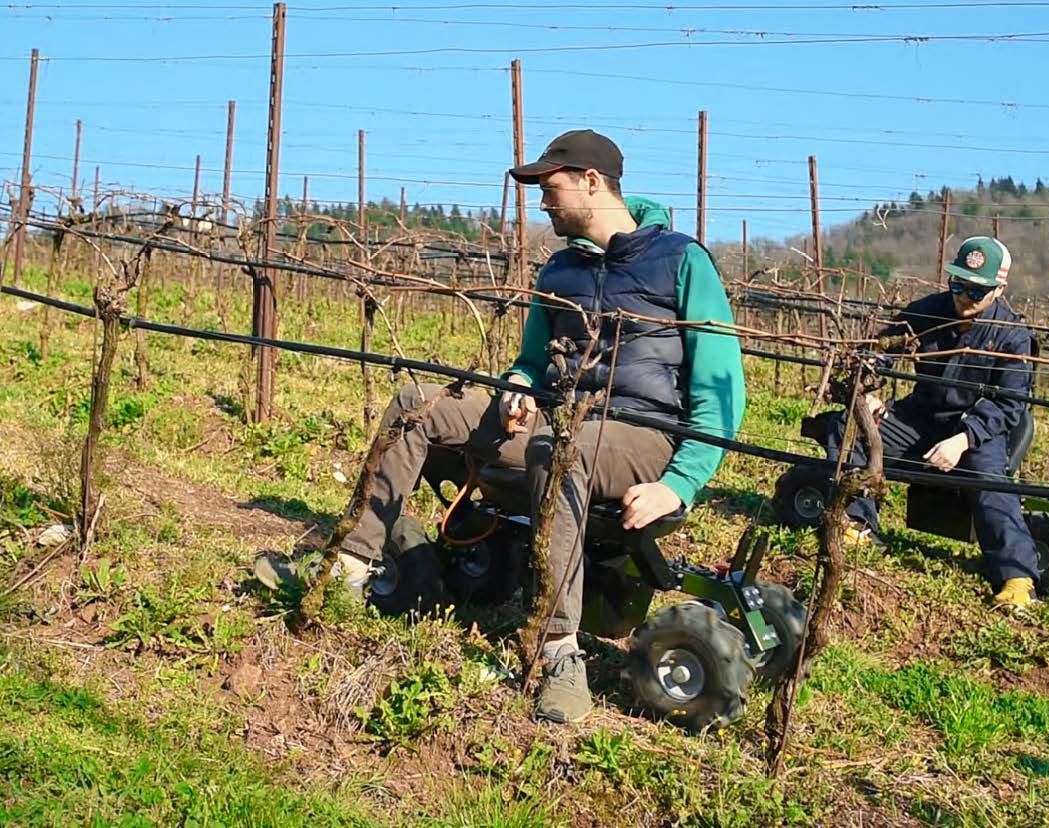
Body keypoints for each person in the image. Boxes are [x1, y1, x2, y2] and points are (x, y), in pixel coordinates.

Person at [258, 129, 746, 722]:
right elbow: (531, 361)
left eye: (551, 187)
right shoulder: (560, 271)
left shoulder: (680, 261)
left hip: (641, 435)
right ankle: (350, 567)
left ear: (593, 183)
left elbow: (720, 390)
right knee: (419, 403)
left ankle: (558, 653)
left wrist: (680, 482)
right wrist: (518, 382)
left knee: (561, 450)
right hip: (555, 420)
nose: (542, 201)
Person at [833, 236, 1040, 608]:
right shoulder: (926, 311)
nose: (964, 296)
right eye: (958, 284)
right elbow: (879, 350)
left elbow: (1011, 403)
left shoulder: (1013, 336)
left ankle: (1016, 576)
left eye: (977, 291)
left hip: (977, 429)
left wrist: (964, 438)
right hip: (920, 416)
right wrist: (866, 391)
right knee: (846, 429)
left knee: (991, 483)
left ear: (999, 289)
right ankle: (859, 525)